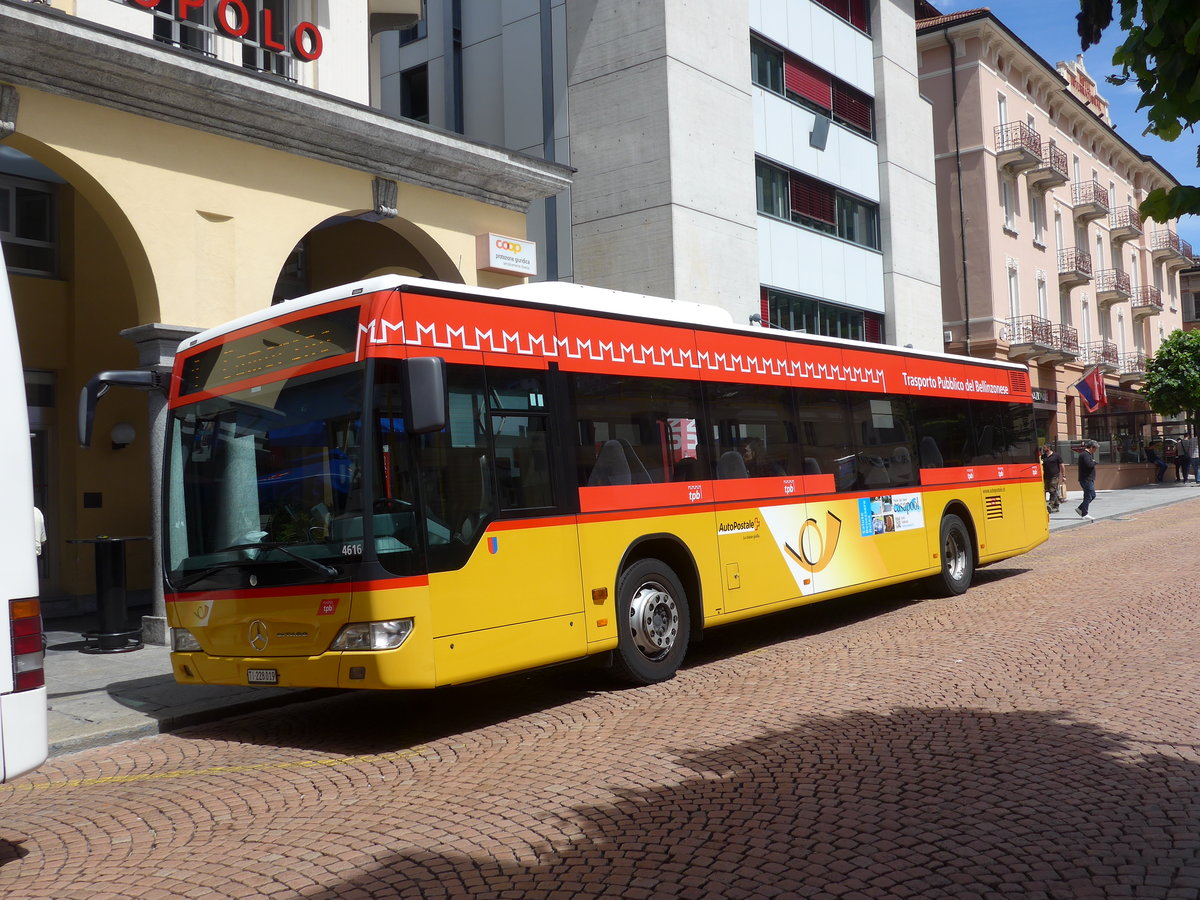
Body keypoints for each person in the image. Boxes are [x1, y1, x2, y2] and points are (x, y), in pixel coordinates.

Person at [1075, 439, 1098, 520]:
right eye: (1095, 448)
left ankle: (1081, 508)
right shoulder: (1085, 455)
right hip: (1086, 479)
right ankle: (1084, 513)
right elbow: (1089, 465)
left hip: (1089, 478)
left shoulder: (1088, 455)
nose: (1096, 450)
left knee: (1093, 495)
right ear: (1092, 447)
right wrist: (1094, 462)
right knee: (1088, 496)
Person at [1040, 444, 1063, 510]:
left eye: (1044, 448)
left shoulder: (1056, 455)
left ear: (1049, 448)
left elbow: (1062, 465)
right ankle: (1056, 505)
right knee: (1049, 490)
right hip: (1046, 476)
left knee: (1052, 490)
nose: (1043, 449)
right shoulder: (1043, 456)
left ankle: (1050, 504)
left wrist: (1063, 475)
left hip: (1055, 475)